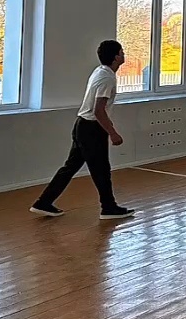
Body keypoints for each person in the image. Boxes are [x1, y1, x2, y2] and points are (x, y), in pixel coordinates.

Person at [29, 41, 135, 220]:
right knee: (101, 170)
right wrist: (113, 133)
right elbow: (98, 110)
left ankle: (43, 202)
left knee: (71, 167)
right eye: (121, 52)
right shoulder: (107, 78)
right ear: (116, 57)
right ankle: (108, 208)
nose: (123, 54)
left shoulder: (100, 71)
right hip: (91, 129)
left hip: (83, 126)